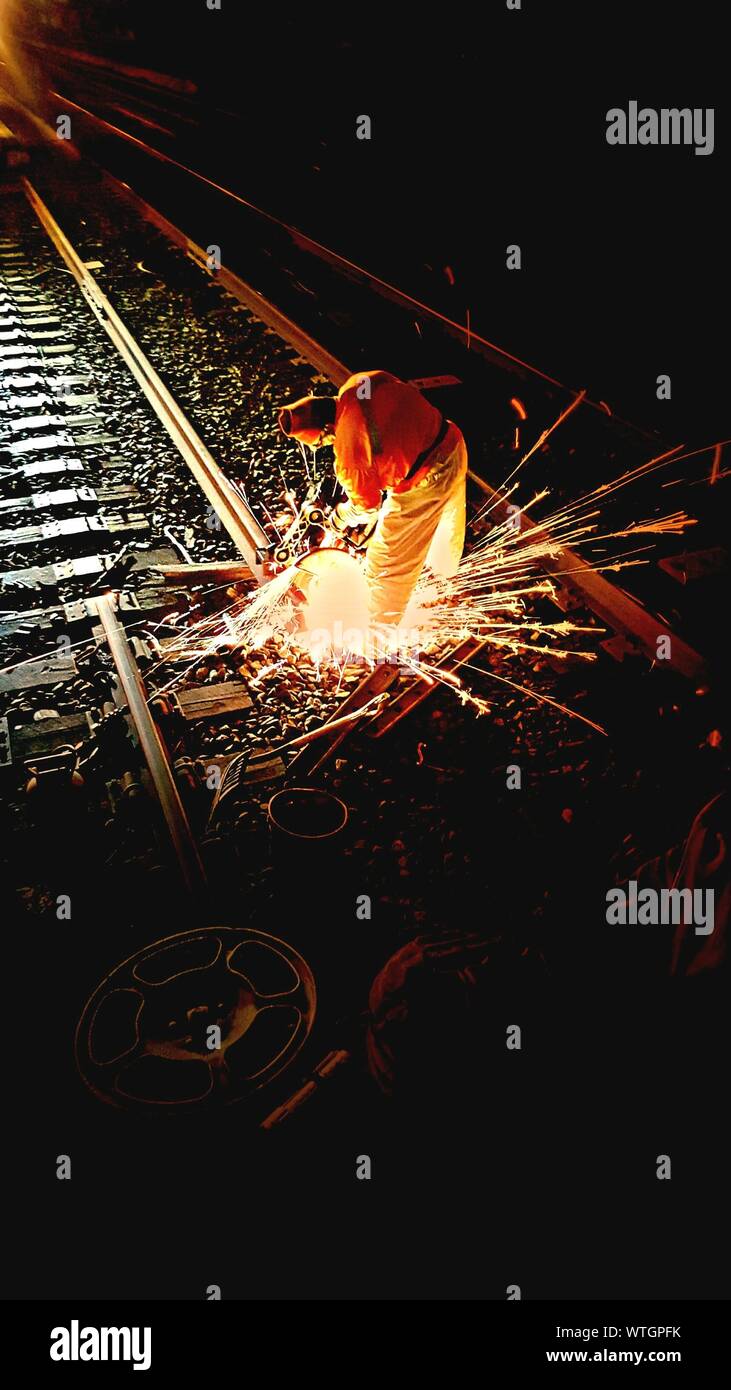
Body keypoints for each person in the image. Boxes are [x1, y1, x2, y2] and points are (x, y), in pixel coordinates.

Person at [278, 370, 468, 626]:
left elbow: (367, 508)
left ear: (326, 428)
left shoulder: (348, 455)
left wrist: (339, 518)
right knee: (445, 528)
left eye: (323, 440)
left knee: (384, 563)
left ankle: (376, 635)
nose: (327, 444)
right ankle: (441, 583)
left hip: (427, 477)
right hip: (450, 441)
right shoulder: (357, 383)